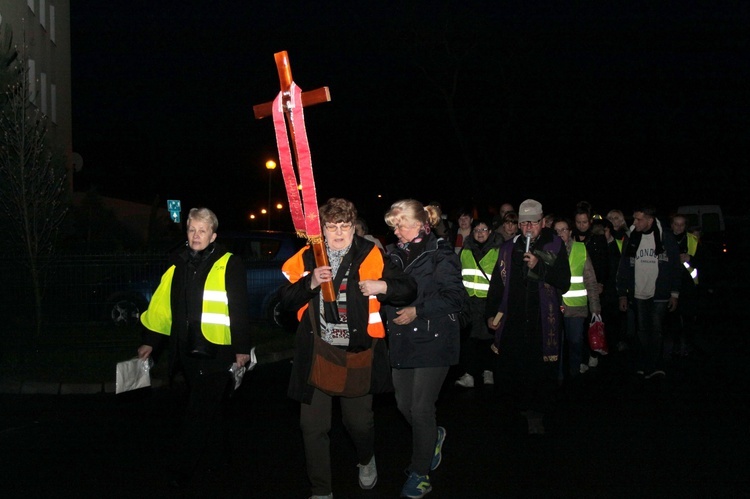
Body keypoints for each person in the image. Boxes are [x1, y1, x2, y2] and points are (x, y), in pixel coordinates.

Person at [278, 198, 417, 499]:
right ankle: (321, 490)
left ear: (354, 227)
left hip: (357, 354)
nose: (339, 232)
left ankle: (366, 458)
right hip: (317, 353)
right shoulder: (307, 257)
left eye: (345, 226)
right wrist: (310, 283)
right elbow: (285, 300)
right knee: (311, 427)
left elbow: (408, 287)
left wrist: (384, 287)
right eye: (332, 226)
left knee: (358, 423)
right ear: (322, 230)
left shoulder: (372, 254)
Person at [137, 207, 254, 488]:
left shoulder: (229, 263)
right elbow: (163, 306)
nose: (196, 235)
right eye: (192, 230)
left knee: (198, 409)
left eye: (202, 230)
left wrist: (241, 349)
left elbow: (238, 308)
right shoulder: (177, 263)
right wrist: (150, 342)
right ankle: (220, 460)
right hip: (186, 350)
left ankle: (181, 466)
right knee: (210, 409)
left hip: (218, 350)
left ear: (213, 236)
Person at [384, 199, 464, 498]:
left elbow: (455, 297)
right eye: (394, 227)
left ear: (421, 225)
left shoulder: (441, 254)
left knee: (420, 408)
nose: (397, 233)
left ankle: (420, 473)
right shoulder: (393, 255)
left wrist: (418, 311)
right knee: (404, 404)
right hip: (403, 339)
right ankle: (433, 437)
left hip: (434, 338)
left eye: (401, 226)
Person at [486, 199, 570, 435]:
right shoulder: (508, 248)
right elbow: (497, 284)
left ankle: (538, 412)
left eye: (533, 222)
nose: (528, 228)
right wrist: (491, 312)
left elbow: (564, 281)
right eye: (524, 223)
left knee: (540, 368)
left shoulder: (554, 245)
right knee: (514, 365)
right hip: (514, 318)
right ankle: (518, 409)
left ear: (543, 222)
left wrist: (539, 265)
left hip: (542, 319)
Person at [616, 205, 681, 379]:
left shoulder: (665, 237)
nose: (635, 222)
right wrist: (623, 293)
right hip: (638, 292)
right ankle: (646, 363)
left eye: (639, 219)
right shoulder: (631, 238)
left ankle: (655, 364)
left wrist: (674, 293)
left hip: (659, 293)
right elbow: (623, 266)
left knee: (656, 330)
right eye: (634, 219)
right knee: (642, 331)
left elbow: (675, 266)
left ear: (650, 220)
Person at [454, 219, 502, 388]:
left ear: (490, 231)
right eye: (477, 230)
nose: (480, 233)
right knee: (470, 339)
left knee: (489, 337)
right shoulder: (465, 251)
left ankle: (489, 370)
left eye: (484, 229)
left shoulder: (498, 251)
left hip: (490, 302)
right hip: (469, 302)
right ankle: (469, 374)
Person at [553, 218, 601, 379]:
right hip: (555, 307)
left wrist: (595, 309)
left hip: (576, 308)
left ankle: (575, 373)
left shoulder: (581, 250)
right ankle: (558, 376)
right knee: (556, 345)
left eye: (564, 230)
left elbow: (591, 281)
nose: (560, 234)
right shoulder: (548, 251)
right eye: (557, 231)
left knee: (575, 342)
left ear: (570, 232)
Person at [572, 201, 610, 370]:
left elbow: (604, 263)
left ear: (590, 222)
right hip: (575, 287)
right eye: (578, 222)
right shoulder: (571, 236)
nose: (581, 225)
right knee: (578, 324)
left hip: (593, 285)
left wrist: (600, 282)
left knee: (592, 320)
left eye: (584, 222)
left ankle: (593, 353)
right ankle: (580, 357)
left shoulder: (597, 238)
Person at [666, 212, 702, 358]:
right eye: (676, 224)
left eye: (682, 224)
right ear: (671, 225)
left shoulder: (693, 240)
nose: (679, 227)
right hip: (670, 284)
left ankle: (688, 344)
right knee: (672, 317)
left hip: (688, 284)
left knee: (688, 317)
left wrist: (690, 258)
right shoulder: (665, 239)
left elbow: (705, 261)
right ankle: (674, 345)